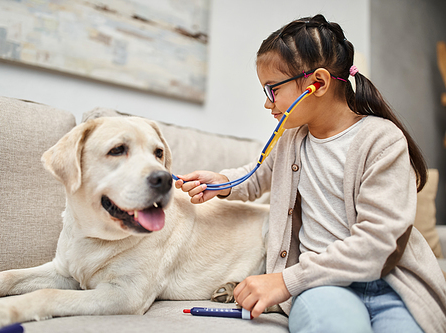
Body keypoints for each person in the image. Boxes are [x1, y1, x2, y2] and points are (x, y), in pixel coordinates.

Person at [175, 14, 446, 333]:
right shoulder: (290, 140)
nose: (267, 103)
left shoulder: (381, 140)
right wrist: (222, 183)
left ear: (317, 82)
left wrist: (285, 281)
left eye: (272, 90)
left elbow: (378, 243)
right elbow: (259, 175)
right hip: (323, 288)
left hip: (391, 286)